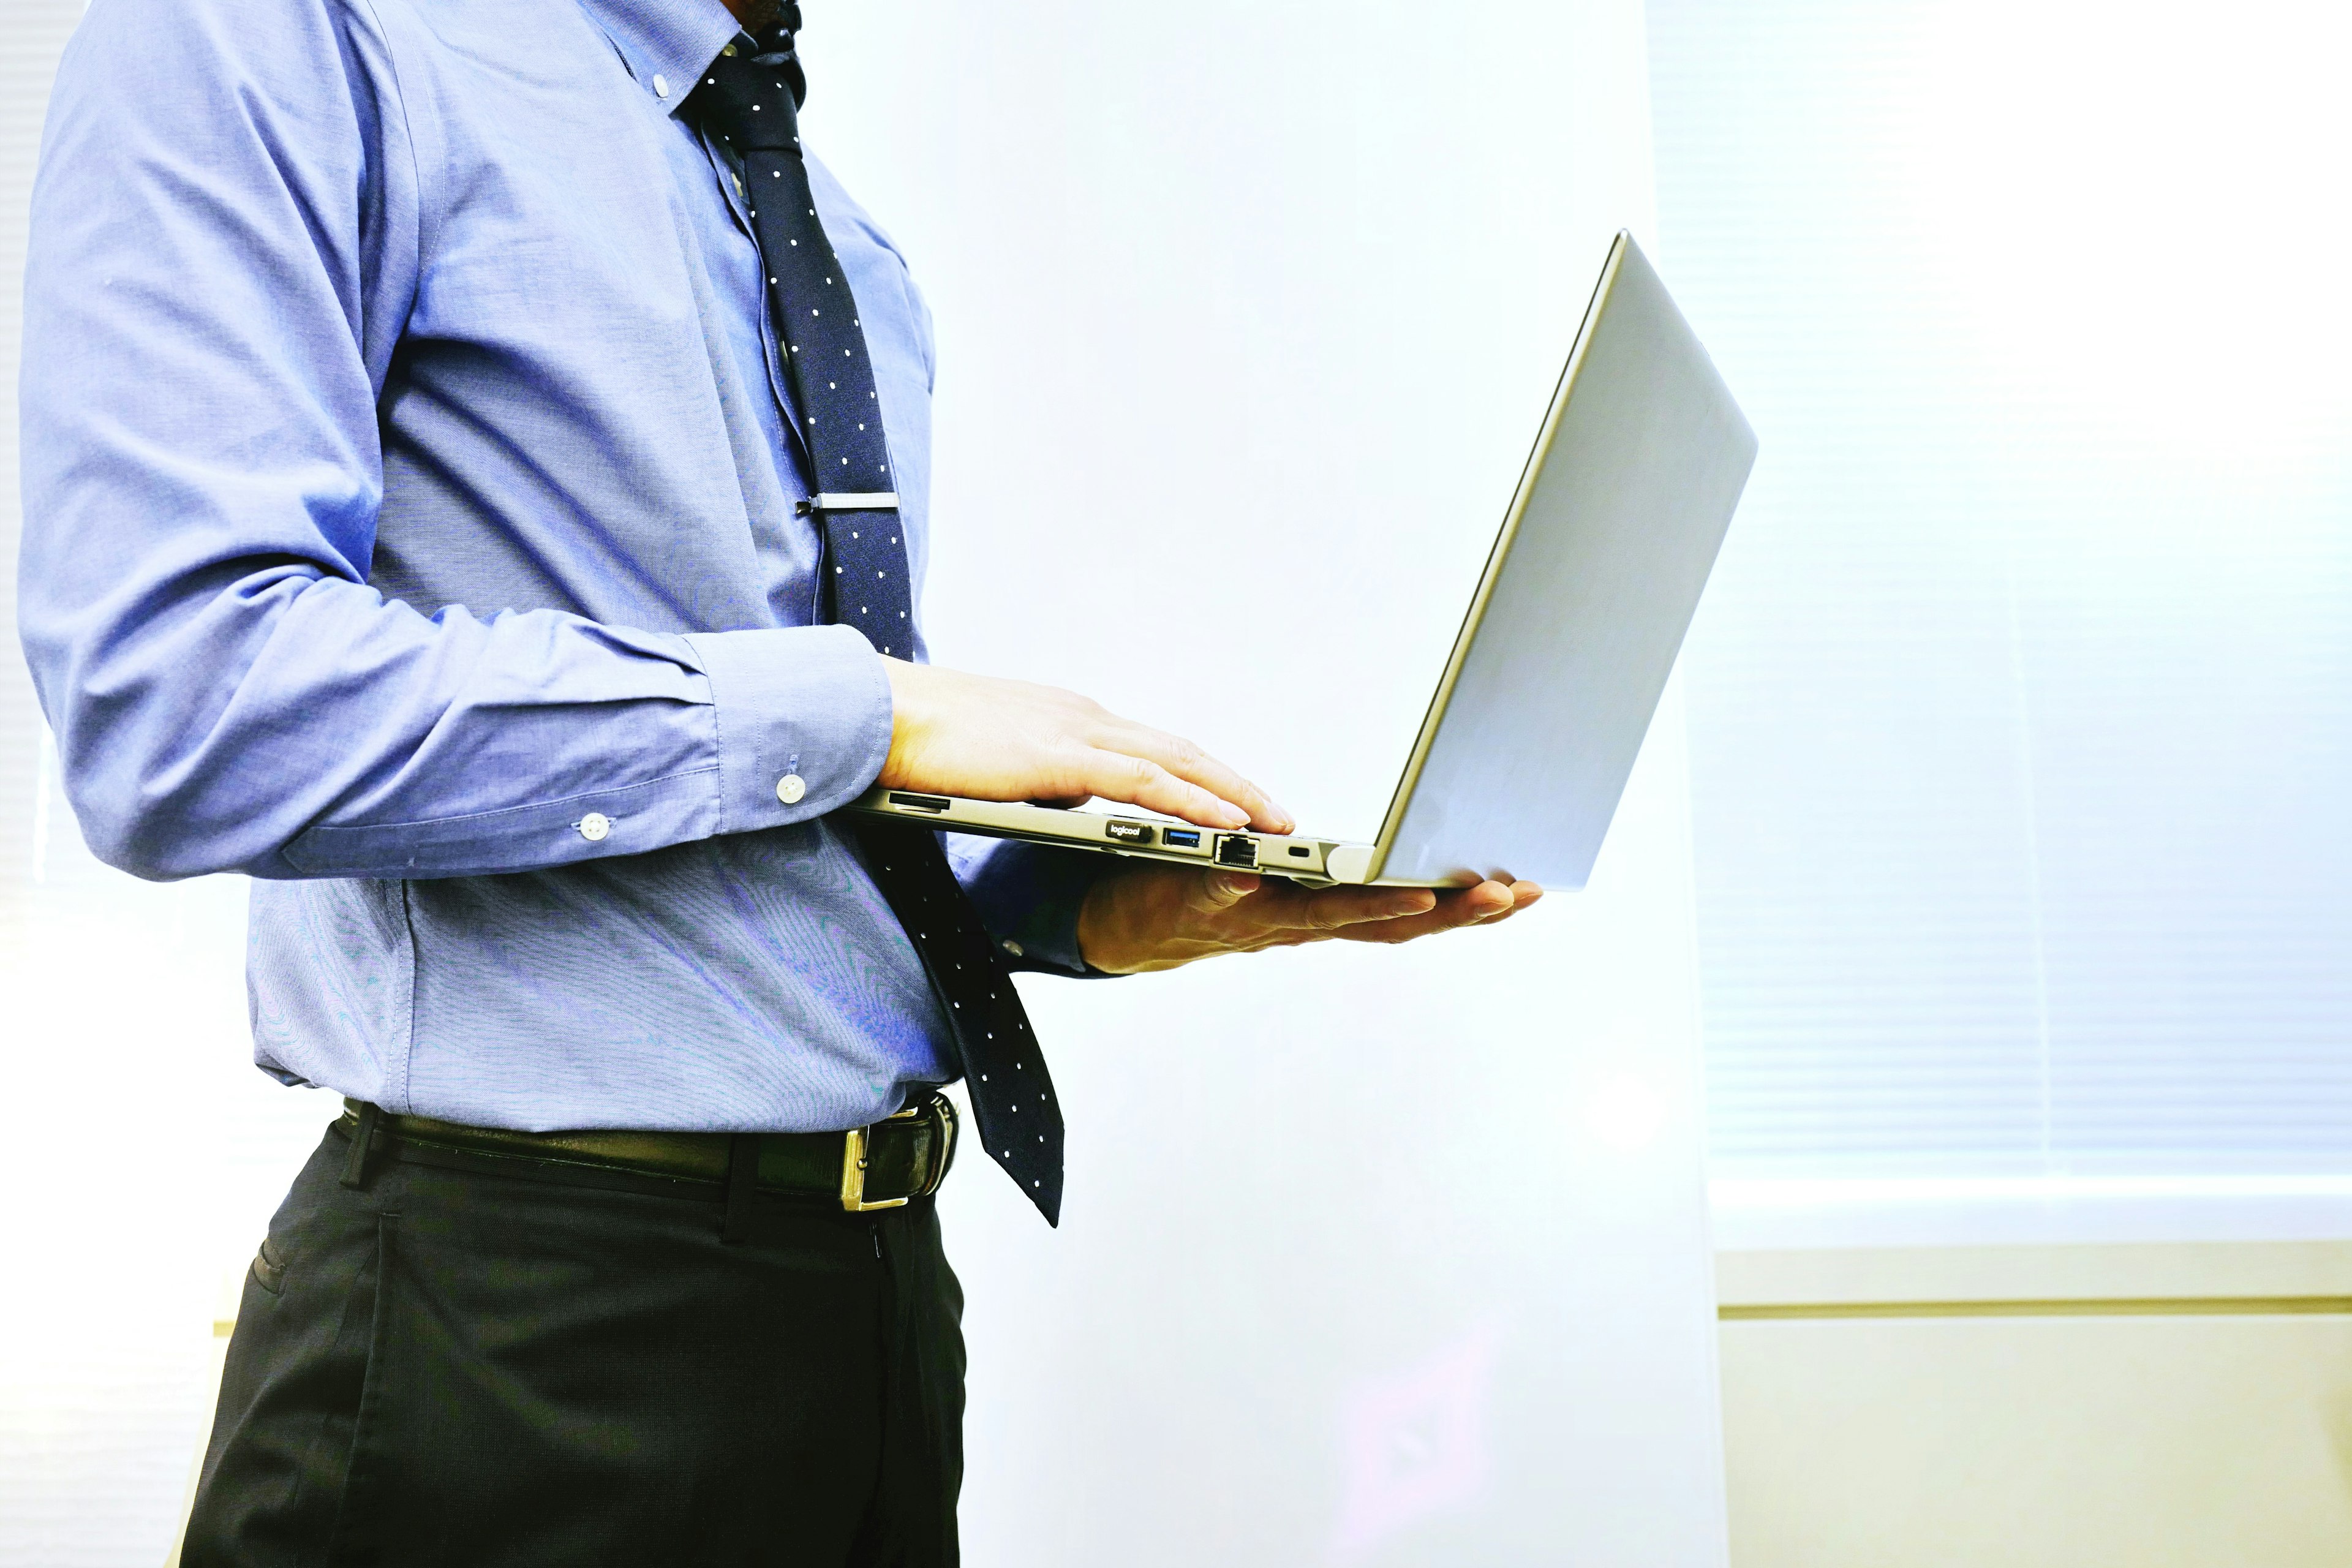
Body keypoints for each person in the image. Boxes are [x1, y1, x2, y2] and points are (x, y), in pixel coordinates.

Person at [17, 0, 1540, 1560]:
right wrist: (859, 711)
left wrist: (1077, 912)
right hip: (515, 1346)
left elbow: (768, 802)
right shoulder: (280, 36)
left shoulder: (825, 222)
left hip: (871, 1318)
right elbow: (182, 703)